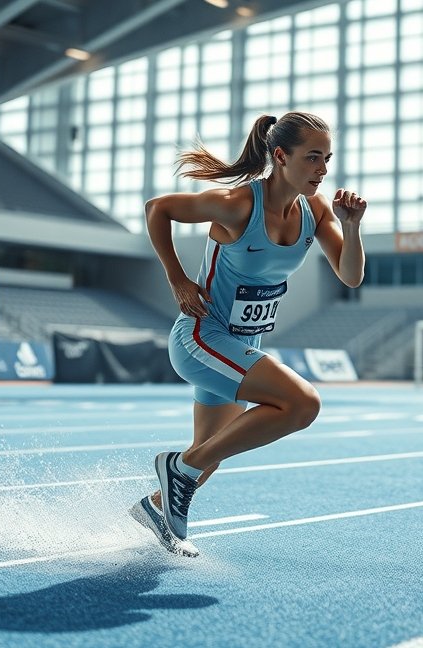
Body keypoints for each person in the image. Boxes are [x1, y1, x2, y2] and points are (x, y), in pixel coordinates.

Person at [129, 112, 367, 557]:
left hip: (239, 346)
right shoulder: (239, 204)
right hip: (201, 338)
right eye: (312, 157)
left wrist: (350, 227)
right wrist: (178, 279)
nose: (323, 169)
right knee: (302, 403)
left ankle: (157, 510)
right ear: (280, 156)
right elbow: (157, 209)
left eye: (327, 158)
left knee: (211, 452)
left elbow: (350, 276)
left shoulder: (315, 212)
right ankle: (176, 469)